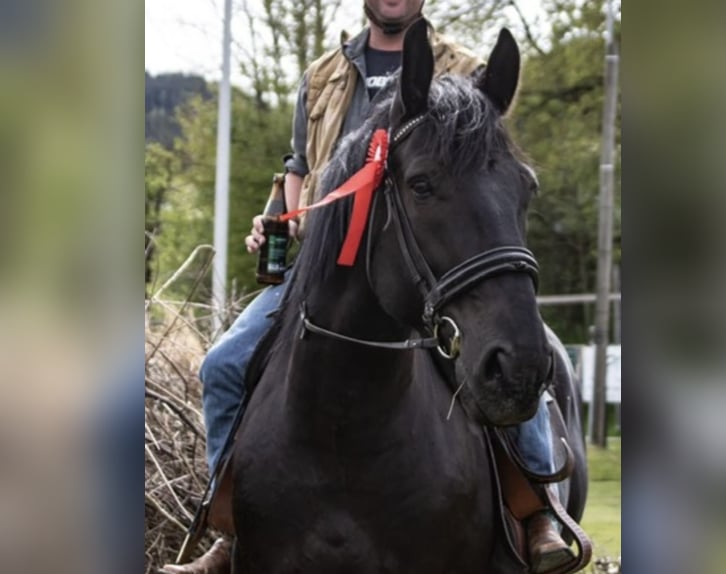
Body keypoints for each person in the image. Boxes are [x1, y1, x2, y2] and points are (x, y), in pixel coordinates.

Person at [162, 2, 573, 573]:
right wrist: (276, 213)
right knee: (223, 367)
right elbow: (299, 167)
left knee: (523, 351)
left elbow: (480, 178)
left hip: (425, 264)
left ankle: (538, 516)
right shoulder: (322, 76)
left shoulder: (463, 69)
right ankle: (230, 527)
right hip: (324, 268)